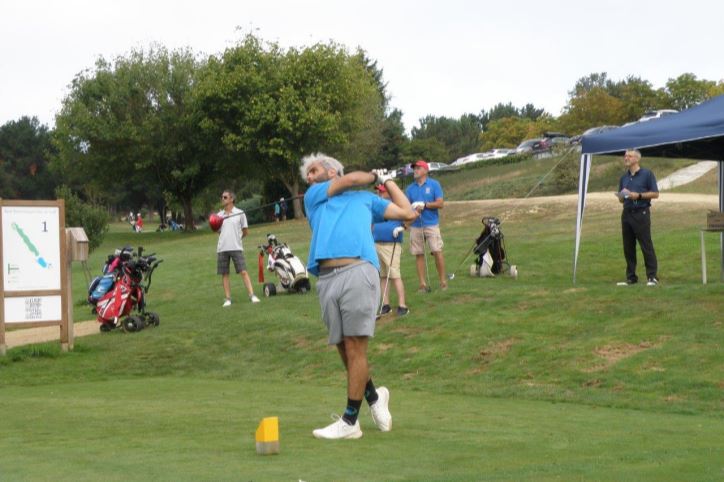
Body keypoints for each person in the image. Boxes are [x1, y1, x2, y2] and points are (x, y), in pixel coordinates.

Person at [301, 152, 417, 440]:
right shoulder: (314, 197)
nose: (309, 177)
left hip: (358, 270)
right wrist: (375, 176)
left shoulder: (366, 200)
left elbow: (407, 213)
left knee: (355, 346)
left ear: (331, 172)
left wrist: (388, 181)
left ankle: (351, 421)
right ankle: (375, 398)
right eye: (307, 175)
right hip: (326, 278)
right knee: (344, 347)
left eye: (314, 170)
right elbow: (353, 179)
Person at [615, 149, 659, 286]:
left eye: (629, 156)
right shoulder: (624, 177)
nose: (626, 158)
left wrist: (638, 195)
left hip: (641, 212)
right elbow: (621, 200)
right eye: (625, 156)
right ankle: (631, 277)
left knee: (646, 245)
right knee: (628, 246)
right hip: (627, 213)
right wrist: (622, 197)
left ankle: (652, 277)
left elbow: (655, 194)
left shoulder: (647, 174)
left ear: (637, 159)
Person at [405, 159, 448, 291]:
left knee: (437, 251)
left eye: (418, 168)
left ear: (425, 170)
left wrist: (425, 205)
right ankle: (422, 284)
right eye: (414, 169)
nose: (415, 171)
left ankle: (443, 281)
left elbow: (440, 203)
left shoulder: (434, 185)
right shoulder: (410, 188)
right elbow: (406, 207)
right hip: (416, 225)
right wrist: (412, 210)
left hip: (431, 223)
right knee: (419, 254)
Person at [216, 190, 261, 305]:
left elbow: (245, 231)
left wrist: (237, 238)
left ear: (231, 199)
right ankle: (228, 299)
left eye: (225, 197)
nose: (222, 199)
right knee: (224, 273)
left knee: (243, 271)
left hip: (236, 247)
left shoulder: (240, 213)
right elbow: (218, 231)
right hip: (222, 248)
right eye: (222, 197)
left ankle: (252, 295)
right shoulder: (219, 215)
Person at [372, 184, 409, 316]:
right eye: (378, 191)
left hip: (391, 243)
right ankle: (385, 304)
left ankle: (402, 305)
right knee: (382, 275)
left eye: (382, 192)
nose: (379, 194)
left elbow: (411, 216)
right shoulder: (377, 205)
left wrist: (403, 227)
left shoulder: (397, 204)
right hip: (376, 242)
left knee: (395, 275)